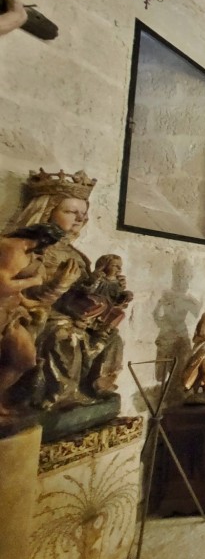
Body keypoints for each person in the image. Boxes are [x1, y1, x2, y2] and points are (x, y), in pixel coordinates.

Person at [6, 168, 130, 409]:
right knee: (66, 336)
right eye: (71, 212)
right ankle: (61, 396)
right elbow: (22, 295)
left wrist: (112, 292)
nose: (80, 219)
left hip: (76, 313)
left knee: (112, 337)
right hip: (41, 315)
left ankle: (95, 386)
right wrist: (58, 286)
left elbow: (86, 288)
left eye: (83, 213)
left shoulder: (76, 254)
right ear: (48, 211)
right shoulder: (32, 249)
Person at [0, 223, 63, 417]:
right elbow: (3, 286)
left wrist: (27, 303)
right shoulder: (13, 249)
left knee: (24, 359)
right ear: (43, 240)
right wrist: (33, 281)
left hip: (10, 313)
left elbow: (12, 287)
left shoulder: (24, 251)